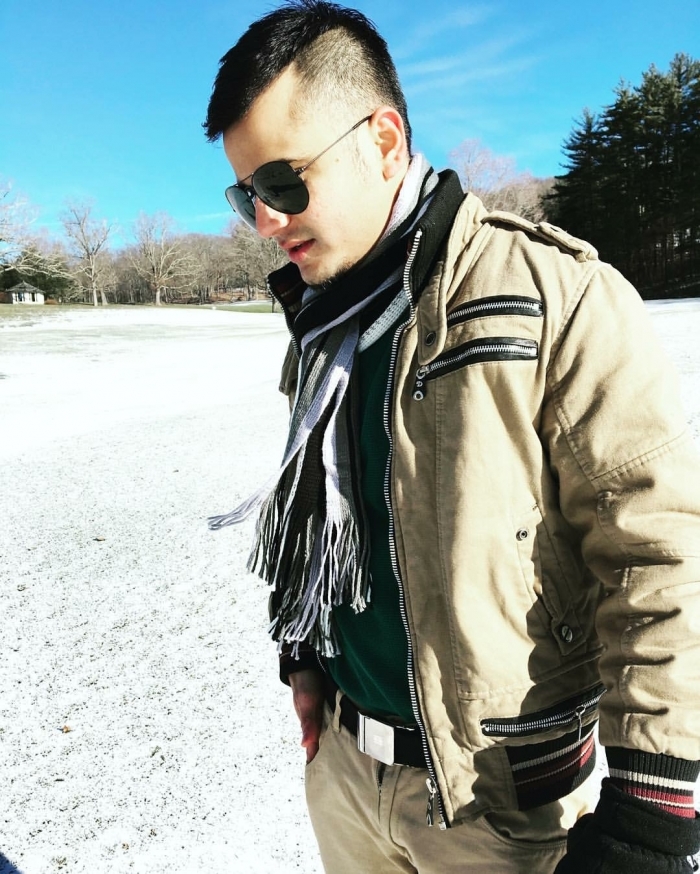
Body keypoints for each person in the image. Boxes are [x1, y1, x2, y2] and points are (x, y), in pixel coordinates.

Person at [203, 2, 700, 871]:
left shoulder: (554, 294)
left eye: (283, 183)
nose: (267, 222)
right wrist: (307, 655)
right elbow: (327, 517)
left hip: (500, 807)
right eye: (247, 196)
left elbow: (661, 554)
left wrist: (650, 817)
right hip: (347, 778)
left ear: (383, 141)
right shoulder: (323, 328)